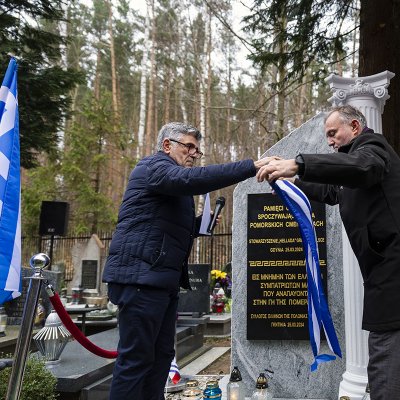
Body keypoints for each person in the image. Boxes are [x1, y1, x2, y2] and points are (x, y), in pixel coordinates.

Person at [257, 105, 400, 400]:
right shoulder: (352, 164)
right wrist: (294, 183)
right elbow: (335, 192)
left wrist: (298, 164)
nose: (330, 141)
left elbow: (363, 168)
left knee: (385, 361)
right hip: (393, 274)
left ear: (355, 127)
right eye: (327, 136)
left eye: (333, 133)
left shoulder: (371, 148)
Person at [102, 122, 277, 400]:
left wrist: (198, 225)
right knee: (136, 359)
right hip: (140, 279)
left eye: (197, 149)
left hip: (161, 280)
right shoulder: (153, 167)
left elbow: (161, 225)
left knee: (161, 357)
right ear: (167, 145)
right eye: (189, 146)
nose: (194, 153)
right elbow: (190, 180)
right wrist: (251, 166)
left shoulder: (171, 179)